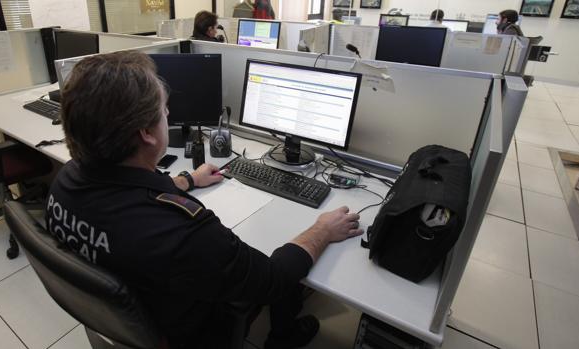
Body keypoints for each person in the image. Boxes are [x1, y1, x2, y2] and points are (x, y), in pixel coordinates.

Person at [47, 50, 364, 349]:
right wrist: (322, 229)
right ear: (146, 132)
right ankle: (282, 337)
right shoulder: (186, 233)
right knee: (287, 263)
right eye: (163, 109)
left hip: (126, 318)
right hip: (192, 332)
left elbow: (127, 194)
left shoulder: (66, 182)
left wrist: (186, 180)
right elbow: (272, 279)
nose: (168, 114)